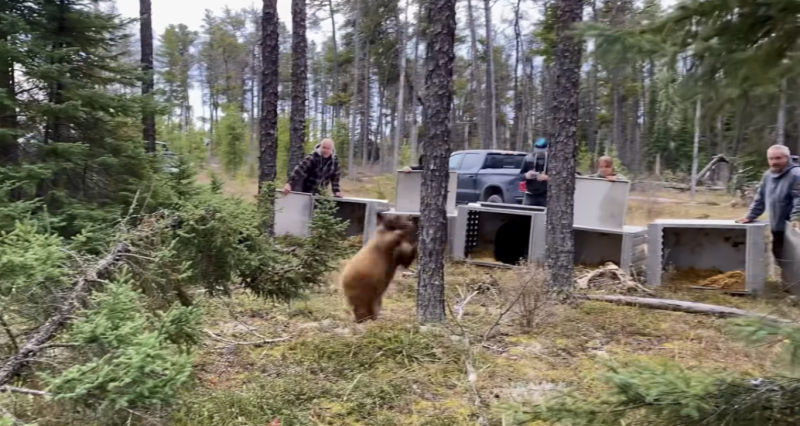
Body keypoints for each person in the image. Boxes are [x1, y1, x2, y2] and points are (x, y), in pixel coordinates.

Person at [736, 144, 800, 264]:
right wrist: (750, 216)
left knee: (795, 262)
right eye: (771, 158)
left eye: (778, 158)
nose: (774, 162)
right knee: (781, 258)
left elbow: (799, 199)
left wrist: (797, 218)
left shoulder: (796, 174)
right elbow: (760, 199)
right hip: (777, 227)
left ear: (787, 157)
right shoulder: (768, 176)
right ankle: (785, 282)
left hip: (793, 228)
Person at [519, 138, 549, 207]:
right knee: (526, 215)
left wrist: (547, 178)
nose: (539, 151)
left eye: (542, 148)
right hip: (530, 195)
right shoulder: (528, 159)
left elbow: (559, 179)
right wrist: (526, 176)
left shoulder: (552, 160)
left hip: (546, 196)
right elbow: (519, 176)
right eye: (538, 148)